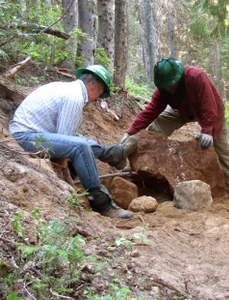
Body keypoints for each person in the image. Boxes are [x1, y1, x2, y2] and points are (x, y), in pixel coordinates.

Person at [9, 64, 137, 218]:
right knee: (80, 146)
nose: (97, 100)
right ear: (94, 86)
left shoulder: (67, 89)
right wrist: (65, 178)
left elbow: (65, 139)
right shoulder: (74, 98)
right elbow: (67, 145)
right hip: (26, 137)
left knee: (82, 143)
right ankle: (102, 203)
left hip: (32, 133)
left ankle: (116, 154)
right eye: (100, 94)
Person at [120, 57, 229, 199]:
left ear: (178, 77)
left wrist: (207, 131)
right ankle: (146, 166)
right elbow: (149, 112)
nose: (168, 88)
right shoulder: (163, 90)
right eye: (164, 86)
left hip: (210, 110)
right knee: (156, 127)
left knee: (222, 148)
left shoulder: (197, 77)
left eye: (170, 85)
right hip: (182, 110)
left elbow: (209, 107)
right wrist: (129, 132)